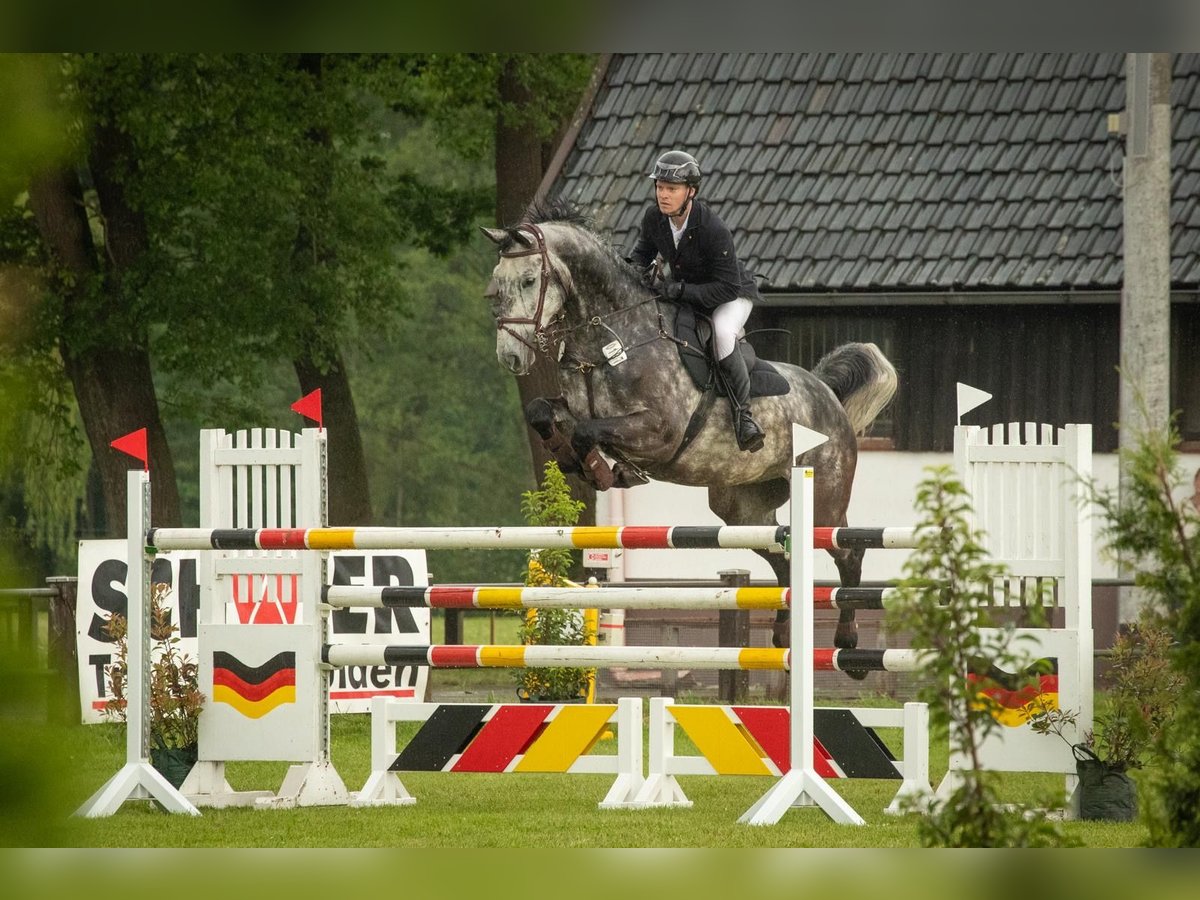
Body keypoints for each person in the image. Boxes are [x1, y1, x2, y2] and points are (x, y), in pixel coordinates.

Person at [629, 150, 765, 452]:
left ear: (690, 191)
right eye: (660, 187)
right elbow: (641, 255)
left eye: (672, 189)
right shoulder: (655, 218)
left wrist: (681, 291)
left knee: (721, 332)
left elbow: (727, 288)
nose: (663, 195)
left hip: (731, 295)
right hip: (689, 291)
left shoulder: (713, 229)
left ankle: (745, 417)